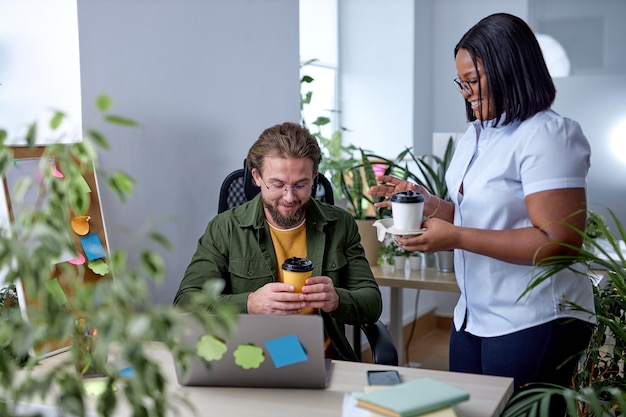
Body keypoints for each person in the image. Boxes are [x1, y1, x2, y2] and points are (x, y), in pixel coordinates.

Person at [369, 12, 594, 411]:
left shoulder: (548, 134)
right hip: (474, 314)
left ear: (510, 70)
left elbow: (558, 242)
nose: (465, 92)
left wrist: (453, 237)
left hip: (534, 317)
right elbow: (476, 212)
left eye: (472, 80)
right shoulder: (477, 134)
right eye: (461, 82)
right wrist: (428, 203)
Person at [174, 121, 382, 361]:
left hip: (323, 357)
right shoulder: (225, 228)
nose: (289, 197)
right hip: (250, 358)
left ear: (314, 177)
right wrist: (249, 304)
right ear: (257, 177)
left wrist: (336, 299)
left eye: (301, 185)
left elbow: (372, 302)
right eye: (278, 185)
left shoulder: (340, 224)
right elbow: (186, 302)